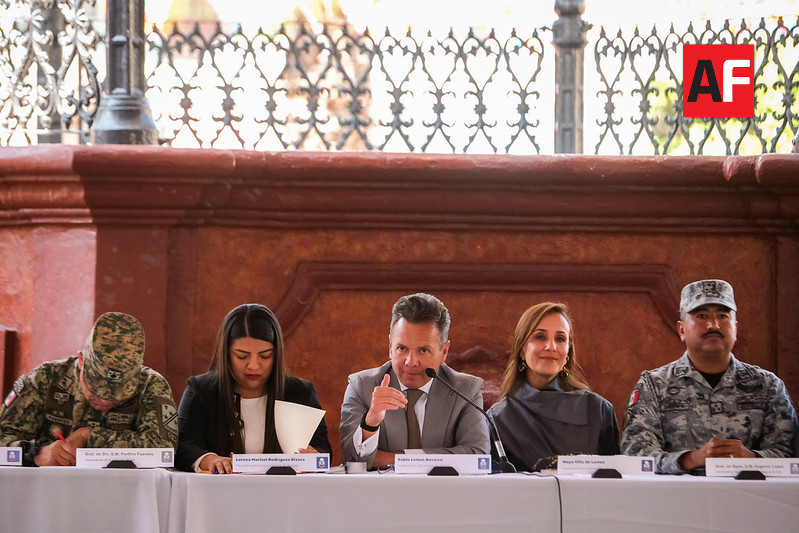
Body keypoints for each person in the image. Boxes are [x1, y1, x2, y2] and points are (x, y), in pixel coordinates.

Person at [621, 279, 798, 474]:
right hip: (678, 493)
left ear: (735, 328)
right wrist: (690, 459)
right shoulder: (653, 385)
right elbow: (635, 454)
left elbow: (790, 455)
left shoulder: (768, 386)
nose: (713, 325)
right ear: (682, 330)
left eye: (722, 316)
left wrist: (751, 459)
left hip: (750, 492)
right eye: (702, 316)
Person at [0, 312, 178, 466]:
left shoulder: (150, 385)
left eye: (118, 395)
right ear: (81, 361)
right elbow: (3, 436)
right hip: (52, 489)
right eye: (96, 389)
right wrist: (34, 453)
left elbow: (164, 451)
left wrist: (89, 436)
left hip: (123, 491)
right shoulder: (46, 378)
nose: (105, 400)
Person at [339, 293, 490, 469]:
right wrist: (370, 422)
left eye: (423, 350)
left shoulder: (466, 390)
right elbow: (351, 461)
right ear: (390, 347)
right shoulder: (362, 386)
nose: (410, 362)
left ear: (444, 352)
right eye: (402, 348)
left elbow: (477, 457)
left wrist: (393, 459)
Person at [176, 303, 331, 473]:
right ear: (226, 353)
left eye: (265, 356)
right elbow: (184, 446)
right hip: (220, 488)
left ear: (277, 354)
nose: (253, 365)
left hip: (284, 489)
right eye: (242, 356)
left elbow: (323, 450)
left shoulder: (300, 393)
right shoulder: (201, 391)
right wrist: (208, 459)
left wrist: (314, 457)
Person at [487, 302, 619, 472]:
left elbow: (615, 480)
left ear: (568, 353)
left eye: (560, 339)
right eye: (540, 337)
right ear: (522, 349)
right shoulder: (498, 418)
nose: (551, 347)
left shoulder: (599, 410)